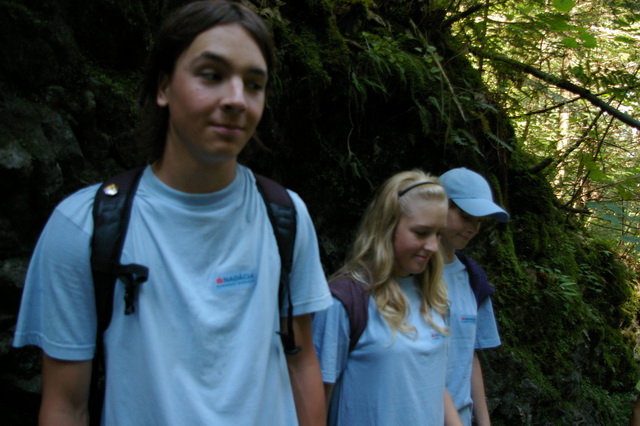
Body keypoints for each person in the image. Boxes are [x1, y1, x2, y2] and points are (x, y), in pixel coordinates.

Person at [13, 1, 332, 424]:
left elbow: (300, 360)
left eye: (254, 84)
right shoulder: (84, 226)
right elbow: (65, 406)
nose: (237, 99)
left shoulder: (285, 216)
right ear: (163, 87)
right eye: (212, 75)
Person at [313, 169, 463, 425]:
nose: (433, 246)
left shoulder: (433, 295)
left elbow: (434, 382)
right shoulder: (345, 300)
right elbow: (315, 401)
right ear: (387, 226)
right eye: (421, 232)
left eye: (438, 234)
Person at [438, 167, 509, 426]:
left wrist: (484, 421)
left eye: (479, 221)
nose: (473, 228)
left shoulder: (473, 278)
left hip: (461, 415)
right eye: (466, 217)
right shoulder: (407, 275)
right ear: (437, 208)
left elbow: (470, 354)